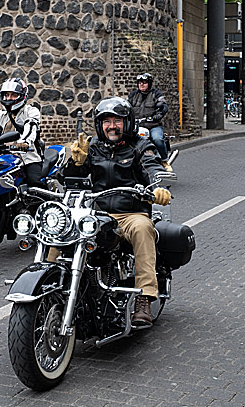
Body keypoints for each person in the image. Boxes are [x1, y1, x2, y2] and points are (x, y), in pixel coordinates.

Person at [67, 97, 172, 328]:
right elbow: (68, 180)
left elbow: (152, 168)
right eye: (106, 121)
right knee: (63, 228)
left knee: (143, 229)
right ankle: (54, 282)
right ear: (99, 124)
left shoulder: (140, 145)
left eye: (117, 121)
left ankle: (144, 297)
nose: (111, 126)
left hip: (130, 213)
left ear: (127, 122)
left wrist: (158, 187)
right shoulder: (92, 146)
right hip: (96, 213)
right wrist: (76, 163)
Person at [0, 78, 43, 188]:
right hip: (6, 157)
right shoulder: (1, 114)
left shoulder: (31, 111)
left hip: (28, 157)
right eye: (6, 95)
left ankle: (45, 203)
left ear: (22, 95)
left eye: (13, 95)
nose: (9, 98)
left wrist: (24, 142)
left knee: (33, 182)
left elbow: (31, 127)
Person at [127, 73, 172, 171]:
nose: (141, 85)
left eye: (144, 82)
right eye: (139, 83)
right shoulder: (133, 95)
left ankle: (165, 161)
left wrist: (159, 115)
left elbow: (163, 106)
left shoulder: (156, 94)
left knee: (157, 139)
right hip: (137, 126)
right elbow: (126, 106)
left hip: (153, 125)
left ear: (149, 83)